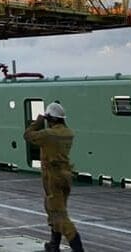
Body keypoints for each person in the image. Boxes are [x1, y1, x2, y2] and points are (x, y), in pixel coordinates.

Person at [24, 102, 84, 252]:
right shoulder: (68, 133)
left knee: (59, 214)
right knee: (55, 210)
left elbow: (27, 136)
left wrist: (36, 123)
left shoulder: (48, 134)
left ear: (50, 118)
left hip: (53, 178)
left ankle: (78, 249)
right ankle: (53, 245)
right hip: (66, 175)